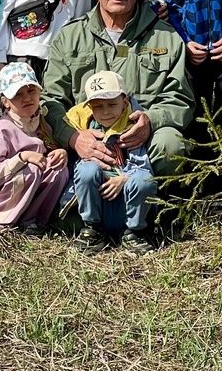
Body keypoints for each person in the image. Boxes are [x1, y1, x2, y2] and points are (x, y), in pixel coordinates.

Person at [43, 0, 193, 179]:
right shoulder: (69, 37)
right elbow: (51, 99)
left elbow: (180, 98)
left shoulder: (166, 37)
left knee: (171, 145)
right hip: (88, 138)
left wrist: (150, 122)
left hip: (140, 139)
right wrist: (73, 137)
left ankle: (153, 204)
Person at [64, 70, 157, 254]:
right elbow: (81, 168)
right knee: (87, 170)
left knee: (144, 179)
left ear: (124, 101)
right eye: (98, 106)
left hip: (126, 202)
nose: (105, 112)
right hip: (101, 201)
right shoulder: (87, 130)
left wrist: (123, 178)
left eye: (112, 104)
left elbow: (142, 165)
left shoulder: (132, 126)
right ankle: (92, 229)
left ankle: (135, 232)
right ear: (89, 107)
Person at [0, 62, 70, 233]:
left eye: (31, 91)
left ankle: (33, 220)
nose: (27, 98)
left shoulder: (42, 123)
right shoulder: (0, 129)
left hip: (28, 191)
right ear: (5, 102)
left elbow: (49, 151)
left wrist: (60, 153)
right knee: (32, 169)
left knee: (59, 169)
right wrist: (22, 158)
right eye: (17, 94)